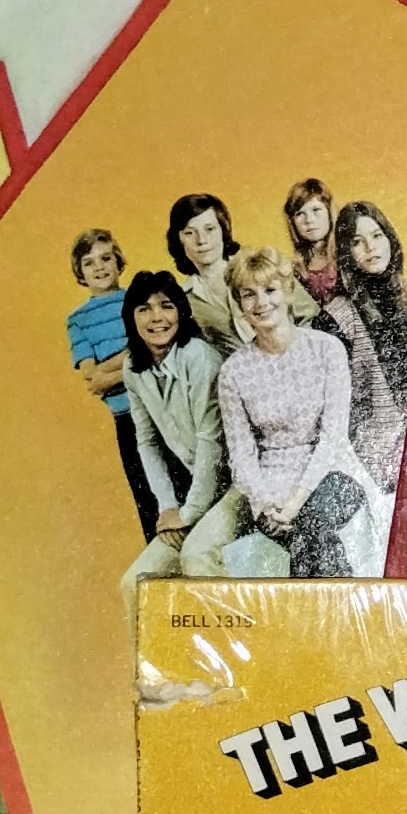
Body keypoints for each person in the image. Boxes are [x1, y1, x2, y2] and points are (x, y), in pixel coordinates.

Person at [213, 248, 386, 578]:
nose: (261, 302)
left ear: (288, 292)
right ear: (240, 304)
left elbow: (333, 438)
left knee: (311, 526)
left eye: (270, 290)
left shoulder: (326, 349)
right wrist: (265, 503)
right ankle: (338, 603)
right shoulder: (233, 372)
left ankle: (317, 606)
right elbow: (242, 454)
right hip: (270, 484)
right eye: (249, 295)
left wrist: (294, 503)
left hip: (332, 472)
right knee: (308, 538)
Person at [115, 268, 244, 612]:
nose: (156, 317)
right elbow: (147, 442)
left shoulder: (199, 357)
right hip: (196, 495)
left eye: (166, 306)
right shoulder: (133, 367)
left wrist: (187, 514)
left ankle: (230, 647)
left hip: (238, 487)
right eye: (144, 308)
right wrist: (168, 506)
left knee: (196, 554)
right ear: (131, 317)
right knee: (136, 583)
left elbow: (211, 442)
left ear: (180, 312)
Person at [62, 228, 155, 541]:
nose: (99, 267)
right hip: (126, 419)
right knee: (146, 499)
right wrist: (133, 358)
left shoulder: (139, 300)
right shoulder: (78, 320)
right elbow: (93, 379)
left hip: (158, 406)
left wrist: (110, 370)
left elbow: (152, 350)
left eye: (105, 258)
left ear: (118, 262)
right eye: (89, 263)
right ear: (80, 273)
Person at [333, 198, 407, 483]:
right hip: (374, 453)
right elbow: (342, 411)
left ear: (390, 240)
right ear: (347, 253)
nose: (370, 247)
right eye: (357, 242)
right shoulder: (338, 318)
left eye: (376, 236)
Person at [165, 192, 244, 351]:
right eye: (189, 233)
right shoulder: (182, 300)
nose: (201, 240)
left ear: (223, 230)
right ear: (179, 240)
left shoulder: (254, 269)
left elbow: (300, 316)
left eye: (210, 229)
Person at [284, 175, 343, 306]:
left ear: (329, 212)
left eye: (316, 210)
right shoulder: (294, 269)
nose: (309, 220)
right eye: (300, 214)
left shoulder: (346, 256)